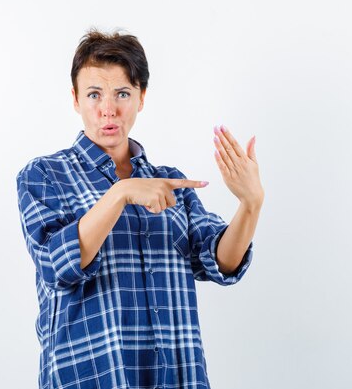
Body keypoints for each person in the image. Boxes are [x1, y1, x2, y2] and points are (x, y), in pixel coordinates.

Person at [16, 29, 264, 389]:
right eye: (94, 94)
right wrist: (121, 193)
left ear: (141, 98)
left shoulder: (169, 183)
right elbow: (56, 264)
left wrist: (251, 204)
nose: (108, 110)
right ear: (75, 99)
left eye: (122, 94)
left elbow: (220, 261)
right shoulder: (43, 176)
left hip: (178, 377)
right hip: (94, 378)